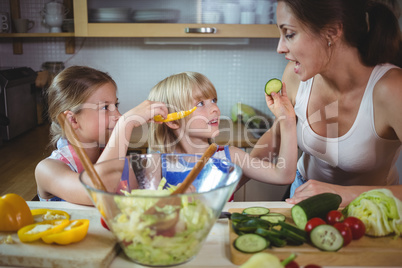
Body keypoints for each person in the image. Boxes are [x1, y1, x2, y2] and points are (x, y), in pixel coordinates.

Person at [251, 0, 402, 206]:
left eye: (289, 34)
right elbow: (278, 135)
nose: (280, 48)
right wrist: (229, 181)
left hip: (368, 209)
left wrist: (341, 194)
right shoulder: (297, 76)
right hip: (302, 194)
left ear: (332, 32)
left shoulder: (392, 89)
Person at [35, 66, 168, 205]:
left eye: (116, 104)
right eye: (105, 107)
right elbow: (97, 192)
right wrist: (125, 124)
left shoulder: (119, 160)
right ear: (73, 120)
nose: (118, 115)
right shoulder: (48, 169)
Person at [147, 71, 298, 192]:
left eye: (213, 100)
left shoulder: (231, 156)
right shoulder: (157, 164)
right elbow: (148, 211)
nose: (215, 108)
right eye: (200, 103)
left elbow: (284, 176)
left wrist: (288, 121)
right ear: (173, 121)